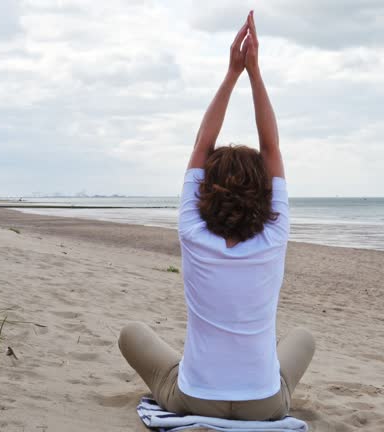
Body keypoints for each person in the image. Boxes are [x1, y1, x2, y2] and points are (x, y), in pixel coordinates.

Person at [118, 11, 315, 421]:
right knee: (303, 339)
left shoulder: (192, 231)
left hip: (195, 398)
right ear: (263, 191)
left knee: (131, 334)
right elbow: (272, 149)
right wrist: (255, 75)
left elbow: (200, 144)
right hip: (264, 405)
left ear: (205, 188)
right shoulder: (274, 235)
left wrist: (231, 74)